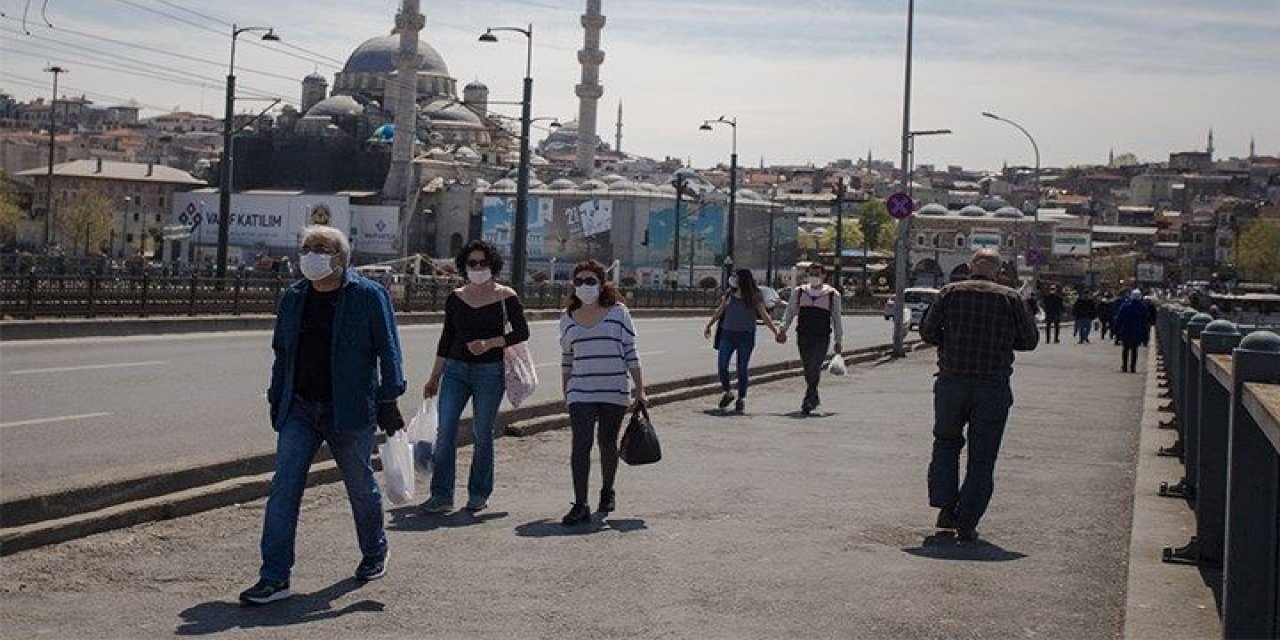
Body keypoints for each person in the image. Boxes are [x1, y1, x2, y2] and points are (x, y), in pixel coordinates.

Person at [240, 226, 406, 605]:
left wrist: (389, 399)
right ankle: (274, 576)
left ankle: (374, 551)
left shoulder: (367, 295)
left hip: (349, 410)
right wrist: (275, 396)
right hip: (299, 406)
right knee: (284, 490)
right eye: (307, 248)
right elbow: (282, 352)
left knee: (360, 486)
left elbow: (388, 349)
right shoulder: (294, 297)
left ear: (341, 258)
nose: (312, 254)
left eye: (322, 248)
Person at [920, 249, 1039, 541]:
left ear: (971, 266)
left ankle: (946, 509)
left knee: (946, 443)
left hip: (951, 382)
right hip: (992, 386)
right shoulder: (1011, 298)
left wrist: (953, 340)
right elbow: (1029, 341)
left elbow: (927, 332)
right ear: (998, 272)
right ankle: (968, 520)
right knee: (983, 457)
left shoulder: (949, 292)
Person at [420, 240, 530, 514]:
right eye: (473, 263)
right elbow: (446, 338)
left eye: (483, 262)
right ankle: (441, 495)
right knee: (445, 431)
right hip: (456, 370)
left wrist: (491, 343)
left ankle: (479, 493)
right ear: (464, 266)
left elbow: (521, 332)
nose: (478, 267)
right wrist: (435, 376)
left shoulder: (506, 296)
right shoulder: (456, 297)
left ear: (493, 265)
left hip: (489, 372)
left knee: (483, 433)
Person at [559, 260, 647, 525]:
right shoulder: (567, 318)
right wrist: (566, 391)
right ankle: (580, 504)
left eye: (590, 281)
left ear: (601, 283)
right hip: (580, 392)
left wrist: (640, 390)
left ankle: (607, 490)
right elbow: (566, 357)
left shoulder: (618, 312)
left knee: (607, 443)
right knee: (580, 446)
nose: (584, 286)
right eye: (579, 282)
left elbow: (631, 351)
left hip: (614, 390)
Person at [704, 269, 783, 413]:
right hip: (727, 334)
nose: (733, 278)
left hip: (746, 336)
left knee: (742, 367)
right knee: (722, 365)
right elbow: (720, 310)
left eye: (736, 276)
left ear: (743, 279)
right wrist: (709, 325)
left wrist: (776, 332)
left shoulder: (754, 296)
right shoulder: (729, 293)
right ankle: (727, 392)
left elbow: (764, 315)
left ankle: (741, 398)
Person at [777, 263, 844, 415]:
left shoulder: (832, 294)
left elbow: (836, 318)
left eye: (817, 274)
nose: (814, 277)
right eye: (811, 274)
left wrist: (838, 340)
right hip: (803, 335)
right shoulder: (799, 292)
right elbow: (790, 311)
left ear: (824, 276)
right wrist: (783, 329)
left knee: (814, 366)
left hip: (822, 336)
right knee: (807, 368)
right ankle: (813, 396)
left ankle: (809, 398)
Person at [1113, 289, 1148, 373]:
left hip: (1126, 329)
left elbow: (1119, 317)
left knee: (1125, 349)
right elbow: (1145, 321)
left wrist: (1116, 329)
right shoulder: (1142, 306)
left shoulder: (1125, 305)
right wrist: (1145, 334)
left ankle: (1124, 366)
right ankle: (1133, 367)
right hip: (1137, 330)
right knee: (1134, 350)